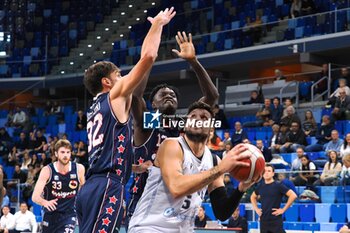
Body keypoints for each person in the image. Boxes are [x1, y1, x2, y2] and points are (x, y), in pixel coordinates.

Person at [75, 8, 176, 233]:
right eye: (118, 75)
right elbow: (148, 57)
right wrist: (157, 24)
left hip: (91, 187)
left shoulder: (93, 110)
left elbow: (105, 154)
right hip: (108, 186)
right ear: (106, 82)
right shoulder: (116, 97)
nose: (122, 78)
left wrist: (134, 167)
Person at [126, 31, 219, 227]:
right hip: (144, 202)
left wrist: (193, 61)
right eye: (162, 94)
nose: (169, 96)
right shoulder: (148, 122)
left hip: (176, 202)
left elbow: (211, 97)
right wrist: (149, 60)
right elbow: (135, 96)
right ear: (152, 103)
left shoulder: (184, 123)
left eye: (173, 95)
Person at [128, 101, 259, 232]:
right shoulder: (172, 145)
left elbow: (222, 212)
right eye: (193, 116)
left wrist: (241, 189)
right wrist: (221, 169)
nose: (197, 119)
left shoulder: (214, 161)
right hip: (150, 227)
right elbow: (176, 187)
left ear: (211, 129)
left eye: (204, 118)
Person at [32, 139, 85, 233]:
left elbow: (84, 190)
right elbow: (35, 197)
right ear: (56, 154)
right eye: (62, 152)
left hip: (69, 214)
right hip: (50, 215)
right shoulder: (47, 170)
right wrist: (45, 202)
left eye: (68, 152)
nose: (65, 155)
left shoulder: (79, 169)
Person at [251, 164, 297, 233]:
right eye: (265, 171)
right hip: (263, 220)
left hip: (275, 219)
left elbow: (293, 195)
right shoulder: (260, 186)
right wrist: (256, 209)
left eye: (269, 171)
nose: (266, 173)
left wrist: (283, 210)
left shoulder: (278, 185)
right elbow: (252, 197)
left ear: (273, 173)